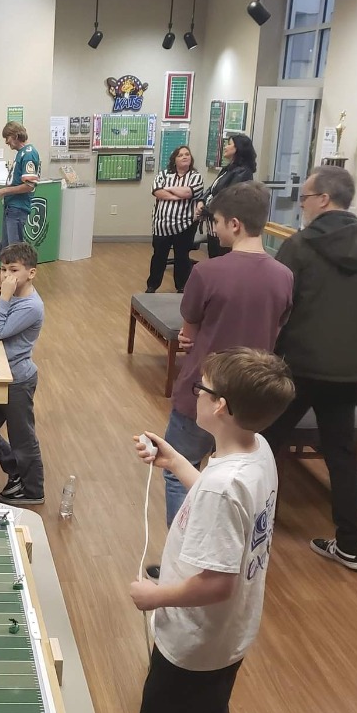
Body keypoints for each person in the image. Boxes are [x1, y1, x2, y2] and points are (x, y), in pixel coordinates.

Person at [128, 347, 294, 713]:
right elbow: (220, 501)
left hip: (195, 639)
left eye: (201, 388)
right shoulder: (256, 451)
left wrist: (153, 596)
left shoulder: (226, 485)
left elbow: (215, 582)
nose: (193, 392)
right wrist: (175, 462)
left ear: (220, 406)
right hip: (228, 637)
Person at [160, 181, 293, 528]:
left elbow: (188, 332)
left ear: (235, 224)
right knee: (232, 478)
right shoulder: (284, 276)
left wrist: (196, 339)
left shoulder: (207, 271)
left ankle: (183, 555)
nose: (214, 229)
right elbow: (276, 328)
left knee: (178, 469)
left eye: (216, 222)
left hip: (203, 393)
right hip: (250, 399)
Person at [264, 166, 357, 572]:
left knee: (262, 440)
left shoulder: (299, 246)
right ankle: (351, 546)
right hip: (349, 371)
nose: (303, 204)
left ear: (324, 199)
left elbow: (281, 306)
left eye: (306, 196)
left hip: (298, 364)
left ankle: (251, 527)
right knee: (340, 452)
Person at [0, 241, 44, 504]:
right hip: (0, 376)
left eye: (13, 270)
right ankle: (15, 471)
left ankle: (33, 490)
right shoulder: (14, 298)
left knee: (23, 440)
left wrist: (1, 298)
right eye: (3, 269)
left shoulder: (30, 306)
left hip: (17, 381)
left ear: (31, 273)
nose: (6, 276)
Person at [146, 145, 205, 293]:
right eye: (180, 155)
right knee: (159, 256)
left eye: (187, 154)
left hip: (185, 225)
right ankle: (152, 286)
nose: (185, 157)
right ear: (174, 160)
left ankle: (181, 287)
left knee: (182, 256)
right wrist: (177, 195)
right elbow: (156, 191)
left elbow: (189, 192)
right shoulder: (163, 174)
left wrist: (168, 189)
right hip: (162, 224)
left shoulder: (196, 176)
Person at [197, 133, 257, 258]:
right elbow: (212, 189)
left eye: (229, 144)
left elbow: (228, 198)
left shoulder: (243, 172)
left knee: (220, 259)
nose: (225, 147)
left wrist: (206, 210)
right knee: (213, 258)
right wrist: (201, 201)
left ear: (238, 149)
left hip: (225, 224)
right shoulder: (227, 169)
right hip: (213, 223)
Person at [0, 122, 40, 246]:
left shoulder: (29, 154)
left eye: (7, 137)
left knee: (15, 249)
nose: (6, 142)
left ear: (15, 136)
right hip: (11, 207)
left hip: (17, 208)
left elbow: (29, 186)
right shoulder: (21, 153)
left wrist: (4, 191)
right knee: (7, 247)